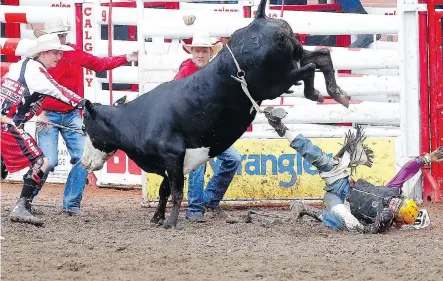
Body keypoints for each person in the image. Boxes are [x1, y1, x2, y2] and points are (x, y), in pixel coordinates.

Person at [263, 107, 442, 233]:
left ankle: (308, 210)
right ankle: (281, 128)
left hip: (339, 199)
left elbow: (369, 229)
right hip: (342, 181)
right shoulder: (392, 191)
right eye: (399, 203)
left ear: (401, 221)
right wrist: (426, 158)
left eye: (398, 209)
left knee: (348, 223)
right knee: (317, 156)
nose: (395, 204)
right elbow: (405, 172)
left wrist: (379, 225)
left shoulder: (388, 221)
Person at [30, 17, 138, 215]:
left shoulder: (68, 53)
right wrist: (39, 112)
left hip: (69, 113)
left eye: (62, 35)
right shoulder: (45, 57)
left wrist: (125, 58)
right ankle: (27, 198)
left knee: (81, 158)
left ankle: (69, 204)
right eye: (58, 36)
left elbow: (98, 63)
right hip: (51, 114)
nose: (61, 39)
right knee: (49, 161)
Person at [1, 33, 88, 225]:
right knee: (42, 162)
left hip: (8, 122)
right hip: (7, 125)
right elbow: (59, 91)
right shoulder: (36, 72)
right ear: (43, 54)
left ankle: (25, 203)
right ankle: (22, 206)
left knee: (39, 162)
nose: (59, 57)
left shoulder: (20, 66)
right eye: (56, 53)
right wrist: (84, 103)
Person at [174, 31, 241, 222]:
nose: (200, 55)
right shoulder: (186, 70)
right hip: (191, 129)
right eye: (197, 51)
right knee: (198, 163)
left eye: (204, 51)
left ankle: (209, 200)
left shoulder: (214, 70)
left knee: (233, 159)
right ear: (192, 53)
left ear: (210, 53)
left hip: (212, 129)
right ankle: (195, 208)